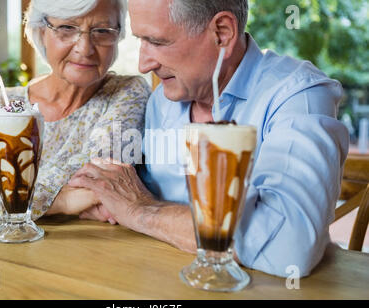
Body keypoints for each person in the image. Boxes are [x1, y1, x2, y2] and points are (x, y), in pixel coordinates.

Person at [66, 0, 349, 278]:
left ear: (222, 33)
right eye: (141, 40)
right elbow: (130, 196)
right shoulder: (162, 101)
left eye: (158, 41)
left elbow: (288, 246)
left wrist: (142, 212)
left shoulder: (297, 95)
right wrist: (122, 204)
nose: (143, 64)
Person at [0, 0, 150, 222]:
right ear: (41, 32)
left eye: (102, 31)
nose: (85, 48)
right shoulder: (1, 103)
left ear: (117, 36)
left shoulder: (128, 93)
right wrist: (62, 201)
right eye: (67, 28)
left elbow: (97, 181)